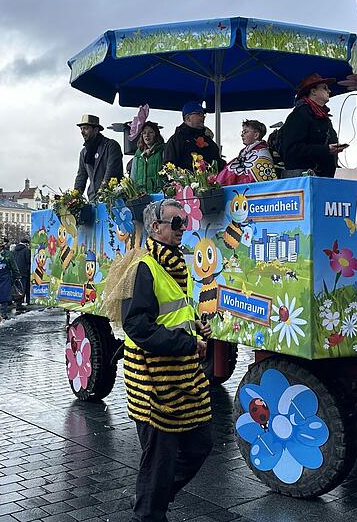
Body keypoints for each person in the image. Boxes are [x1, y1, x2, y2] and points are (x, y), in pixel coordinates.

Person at [122, 199, 213, 522]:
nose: (182, 229)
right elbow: (137, 326)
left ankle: (152, 497)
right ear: (155, 227)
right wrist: (187, 342)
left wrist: (196, 325)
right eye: (175, 223)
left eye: (184, 223)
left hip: (181, 377)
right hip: (153, 383)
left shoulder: (175, 263)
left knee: (200, 444)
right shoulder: (142, 267)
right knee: (158, 461)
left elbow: (174, 311)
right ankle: (149, 511)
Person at [279, 74, 347, 178]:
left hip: (322, 178)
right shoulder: (300, 114)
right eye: (325, 88)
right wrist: (326, 149)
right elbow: (291, 150)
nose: (329, 91)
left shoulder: (323, 116)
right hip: (302, 180)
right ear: (313, 91)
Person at [74, 114, 124, 201]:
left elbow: (111, 173)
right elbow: (81, 178)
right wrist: (73, 199)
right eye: (81, 129)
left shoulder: (111, 146)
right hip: (93, 199)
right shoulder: (84, 152)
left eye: (85, 128)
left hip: (113, 200)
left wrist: (101, 195)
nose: (82, 132)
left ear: (96, 130)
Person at [163, 102, 223, 173]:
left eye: (203, 114)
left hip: (210, 182)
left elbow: (218, 163)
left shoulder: (208, 140)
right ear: (188, 118)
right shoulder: (176, 140)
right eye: (199, 114)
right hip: (185, 183)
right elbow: (168, 167)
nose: (203, 117)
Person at [217, 119, 279, 186]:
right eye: (242, 132)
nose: (242, 135)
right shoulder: (245, 153)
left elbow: (252, 178)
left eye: (245, 132)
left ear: (256, 135)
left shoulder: (262, 154)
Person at [129, 121, 166, 194]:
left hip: (159, 195)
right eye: (144, 133)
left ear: (156, 134)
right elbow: (133, 178)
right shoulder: (138, 155)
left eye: (151, 132)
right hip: (141, 197)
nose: (147, 135)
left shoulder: (163, 150)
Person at [0, 240, 20, 317]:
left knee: (4, 296)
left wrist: (17, 275)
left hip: (5, 277)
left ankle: (3, 313)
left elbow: (13, 265)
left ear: (2, 246)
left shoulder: (8, 254)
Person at [12, 239, 31, 310]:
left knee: (18, 288)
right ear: (26, 244)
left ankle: (19, 302)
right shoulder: (26, 250)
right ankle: (27, 301)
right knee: (25, 287)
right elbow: (28, 261)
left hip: (16, 272)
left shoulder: (14, 250)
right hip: (24, 272)